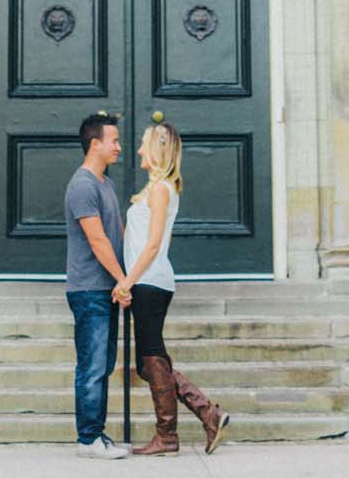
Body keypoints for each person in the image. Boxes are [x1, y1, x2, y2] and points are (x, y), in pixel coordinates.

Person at [113, 121, 229, 457]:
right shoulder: (156, 189)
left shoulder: (162, 189)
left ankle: (169, 435)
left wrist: (126, 281)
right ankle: (207, 412)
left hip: (150, 281)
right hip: (146, 280)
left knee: (153, 360)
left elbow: (152, 246)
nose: (137, 151)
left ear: (157, 149)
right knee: (150, 364)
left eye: (142, 144)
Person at [65, 110, 132, 460]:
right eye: (114, 140)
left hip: (107, 288)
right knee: (92, 366)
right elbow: (98, 240)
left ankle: (97, 435)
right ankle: (88, 439)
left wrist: (128, 278)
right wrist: (123, 280)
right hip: (90, 289)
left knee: (103, 364)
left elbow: (117, 234)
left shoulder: (106, 184)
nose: (119, 146)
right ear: (96, 144)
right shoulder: (83, 185)